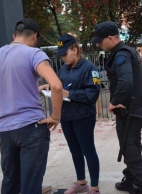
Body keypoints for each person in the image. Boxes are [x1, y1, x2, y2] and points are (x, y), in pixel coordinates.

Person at [0, 18, 63, 194]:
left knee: (10, 183)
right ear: (34, 36)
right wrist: (55, 116)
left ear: (14, 35)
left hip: (6, 131)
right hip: (32, 128)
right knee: (30, 186)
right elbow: (56, 86)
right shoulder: (34, 54)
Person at [91, 21, 142, 194]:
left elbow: (126, 81)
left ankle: (141, 186)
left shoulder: (121, 55)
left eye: (100, 41)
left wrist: (113, 101)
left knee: (130, 148)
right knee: (130, 145)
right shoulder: (124, 52)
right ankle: (130, 179)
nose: (98, 44)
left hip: (130, 110)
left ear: (110, 38)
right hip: (131, 109)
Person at [41, 34, 101, 194]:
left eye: (65, 54)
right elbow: (60, 85)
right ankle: (81, 182)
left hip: (83, 117)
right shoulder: (63, 68)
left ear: (75, 49)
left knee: (88, 150)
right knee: (74, 150)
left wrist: (70, 94)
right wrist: (49, 86)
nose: (63, 58)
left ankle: (94, 188)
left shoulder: (89, 68)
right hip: (67, 116)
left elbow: (93, 94)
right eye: (60, 55)